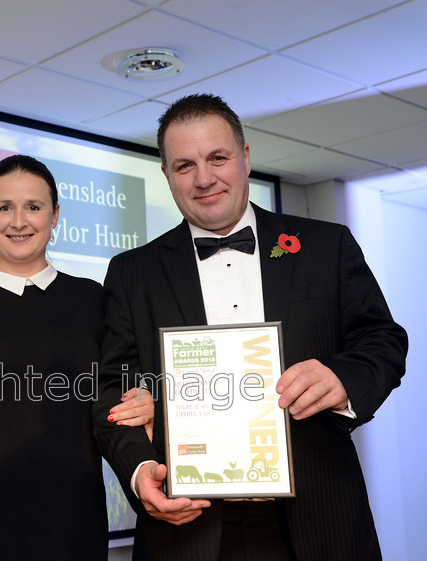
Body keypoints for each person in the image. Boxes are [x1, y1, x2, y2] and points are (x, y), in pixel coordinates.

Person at [93, 94, 408, 561]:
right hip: (186, 527)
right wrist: (140, 471)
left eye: (217, 157)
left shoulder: (325, 245)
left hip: (320, 520)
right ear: (166, 175)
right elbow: (111, 389)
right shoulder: (131, 272)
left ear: (244, 156)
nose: (204, 178)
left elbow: (383, 340)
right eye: (184, 165)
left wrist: (344, 378)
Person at [0, 154, 153, 560]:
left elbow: (114, 399)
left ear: (55, 215)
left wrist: (143, 401)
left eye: (34, 207)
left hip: (71, 523)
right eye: (4, 207)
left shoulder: (93, 300)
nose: (18, 221)